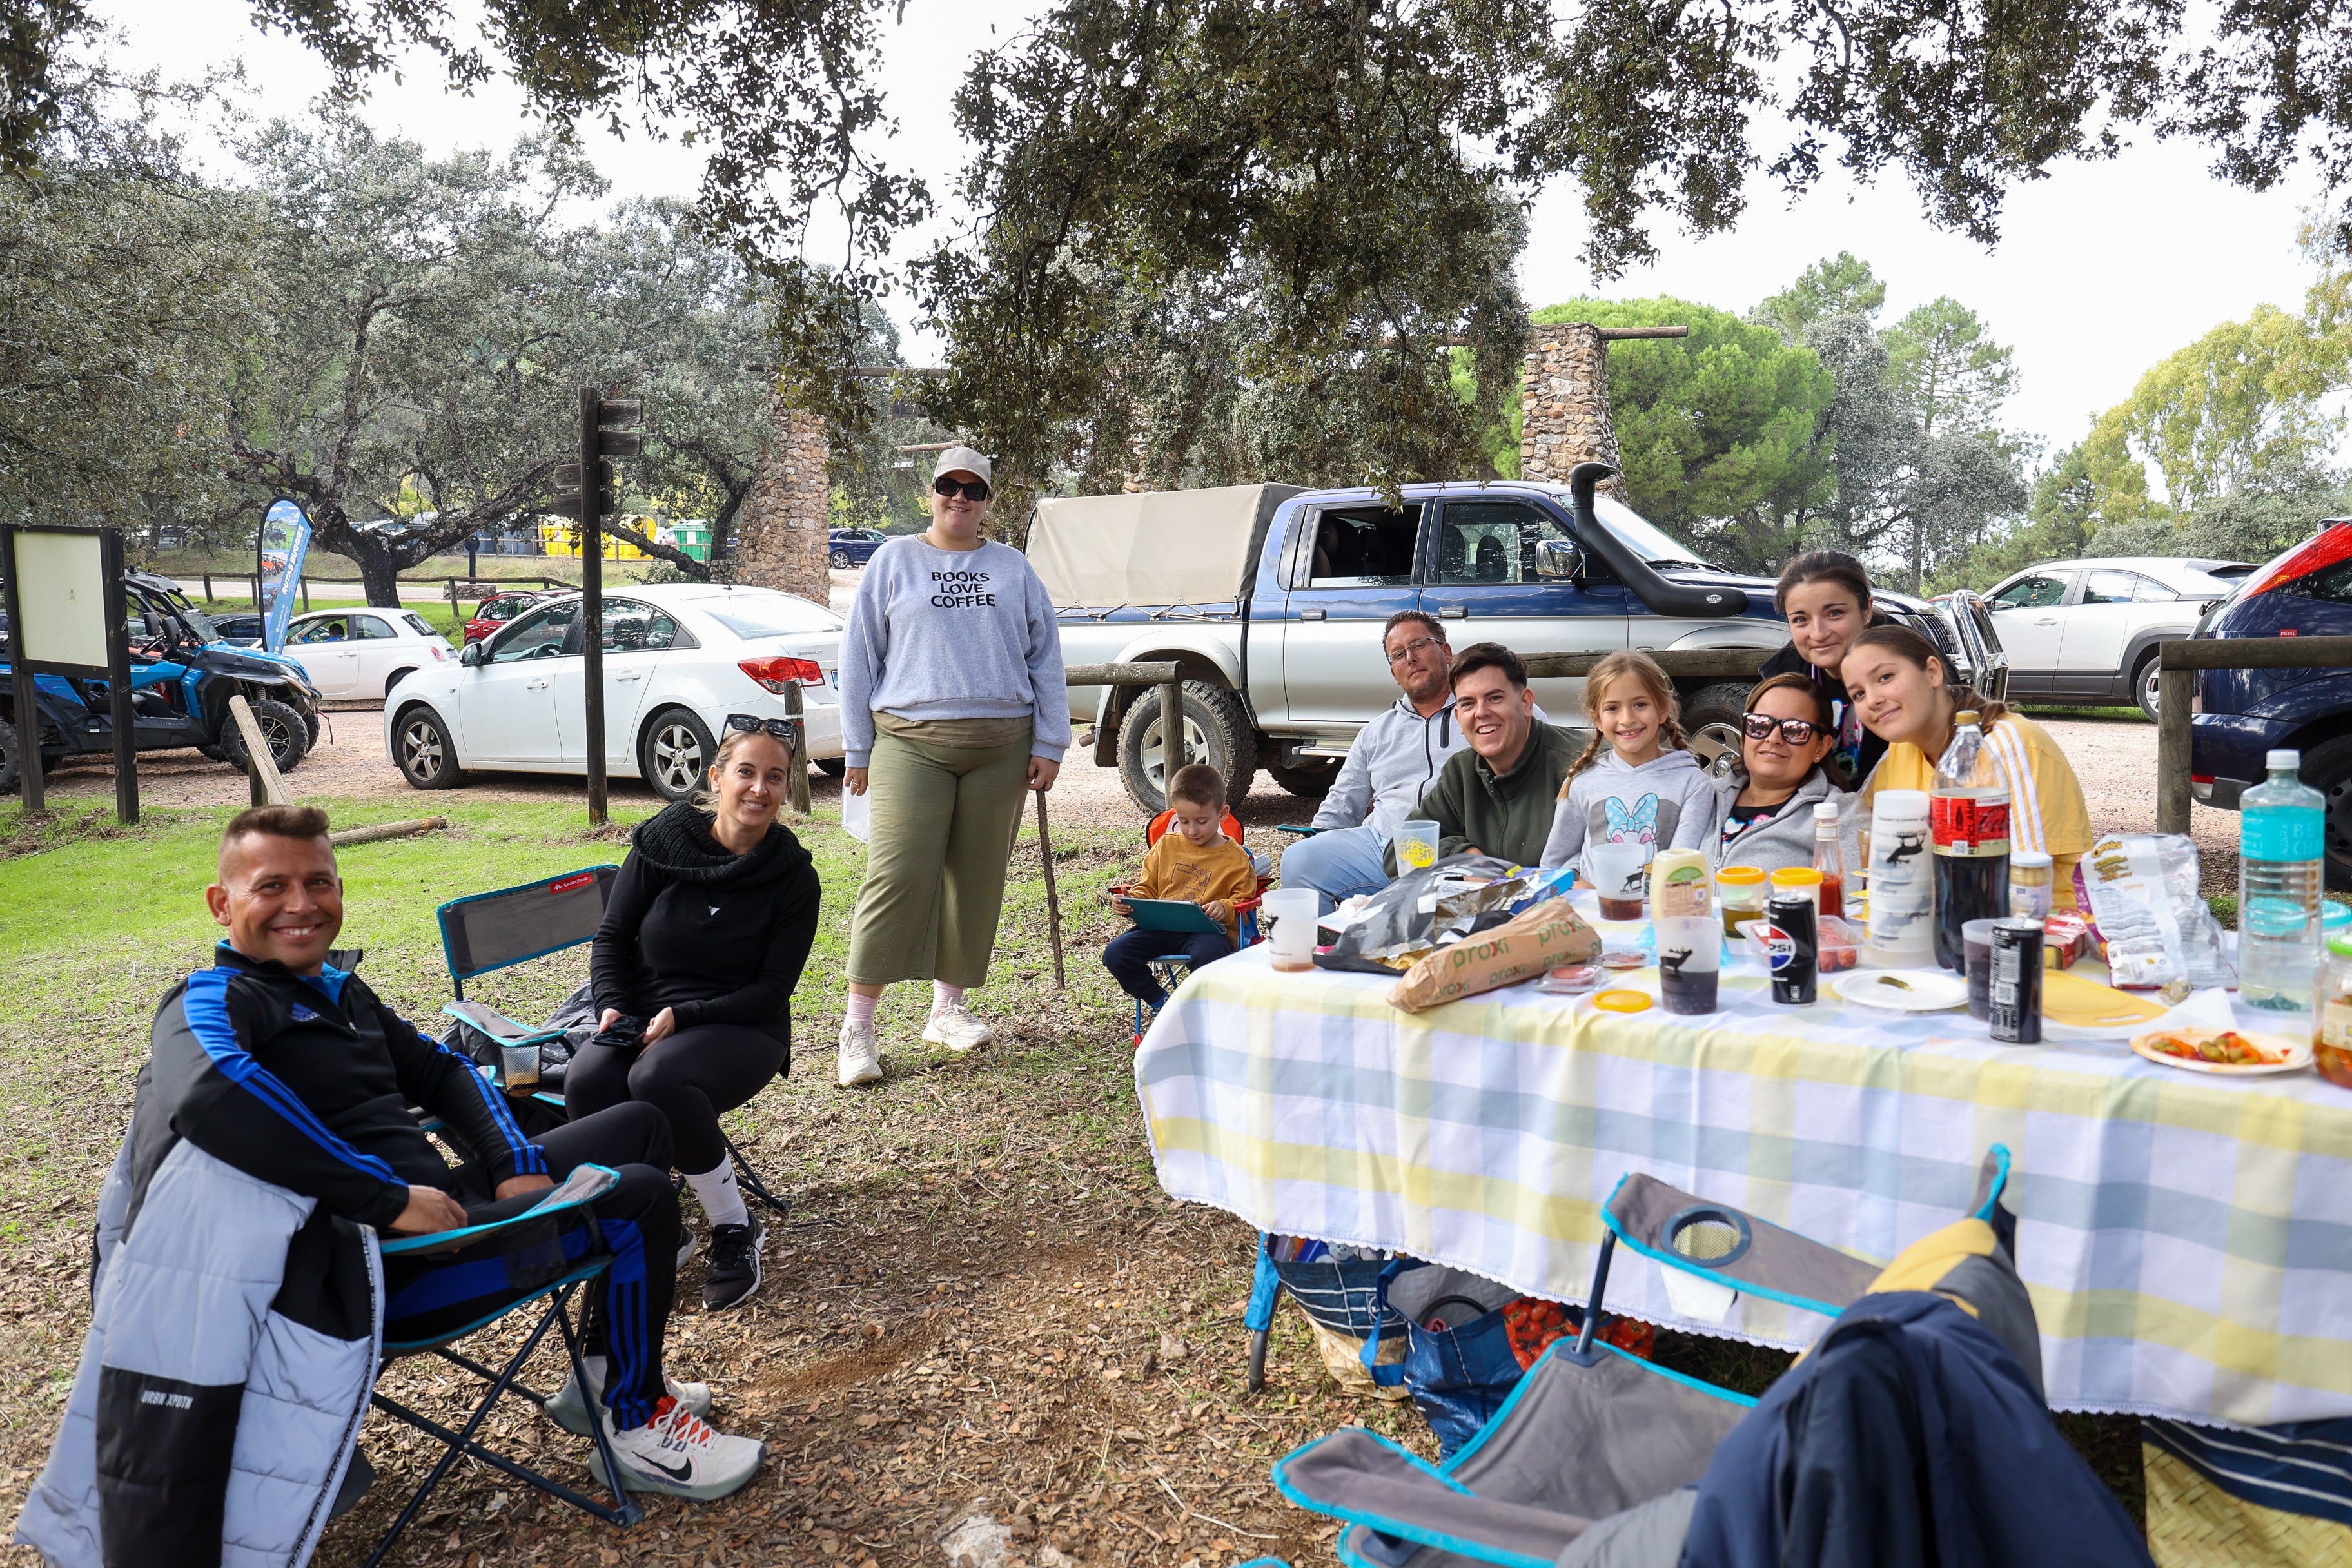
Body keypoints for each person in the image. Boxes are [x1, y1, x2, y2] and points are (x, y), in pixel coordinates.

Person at [152, 807, 761, 1498]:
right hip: (384, 1276)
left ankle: (602, 1371)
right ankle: (637, 1426)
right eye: (271, 886)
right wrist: (388, 1198)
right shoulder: (212, 1001)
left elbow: (445, 1070)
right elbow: (210, 1094)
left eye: (319, 881)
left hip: (449, 1216)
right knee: (642, 1197)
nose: (301, 904)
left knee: (639, 1124)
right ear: (220, 903)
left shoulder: (340, 994)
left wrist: (511, 1159)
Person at [835, 446, 1069, 1088]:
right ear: (930, 492)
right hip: (912, 740)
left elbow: (1045, 657)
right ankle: (858, 1028)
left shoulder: (1014, 568)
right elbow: (858, 657)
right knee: (898, 875)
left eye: (973, 489)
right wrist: (858, 748)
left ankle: (947, 1008)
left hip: (1002, 745)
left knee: (977, 876)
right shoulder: (893, 560)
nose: (959, 499)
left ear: (988, 499)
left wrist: (1051, 742)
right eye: (948, 486)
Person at [580, 720, 821, 1310]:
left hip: (741, 1027)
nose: (759, 789)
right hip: (647, 1014)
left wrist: (682, 1017)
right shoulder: (661, 845)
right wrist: (612, 1003)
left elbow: (772, 990)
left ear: (786, 790)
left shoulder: (793, 877)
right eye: (746, 772)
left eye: (774, 777)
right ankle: (657, 1222)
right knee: (590, 1080)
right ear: (716, 777)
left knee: (656, 1077)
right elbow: (612, 938)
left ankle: (735, 1227)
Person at [1844, 623, 2093, 904]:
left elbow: (2026, 892)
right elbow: (1860, 834)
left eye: (1885, 677)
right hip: (1937, 924)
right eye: (1858, 694)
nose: (1873, 700)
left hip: (2042, 932)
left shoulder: (2006, 746)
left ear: (1933, 672)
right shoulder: (1900, 751)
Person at [1282, 611, 1470, 913]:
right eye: (1398, 655)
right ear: (1394, 674)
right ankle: (1323, 955)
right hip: (1384, 846)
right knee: (1300, 860)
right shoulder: (1376, 732)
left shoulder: (1480, 712)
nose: (1410, 658)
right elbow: (1343, 801)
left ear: (1446, 653)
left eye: (1420, 645)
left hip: (1456, 849)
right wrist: (1316, 839)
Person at [1388, 642, 1581, 872]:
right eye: (1468, 704)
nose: (1481, 712)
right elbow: (1400, 852)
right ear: (1459, 719)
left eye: (1494, 698)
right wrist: (1465, 857)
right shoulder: (1461, 772)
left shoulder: (1581, 765)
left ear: (1526, 703)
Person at [1102, 762, 1258, 1021]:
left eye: (1201, 821)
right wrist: (1131, 901)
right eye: (1183, 821)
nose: (1192, 830)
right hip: (1161, 928)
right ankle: (1161, 1002)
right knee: (1116, 954)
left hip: (1207, 932)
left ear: (1222, 813)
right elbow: (1147, 887)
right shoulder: (1166, 845)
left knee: (1209, 954)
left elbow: (1244, 899)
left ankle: (1202, 1011)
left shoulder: (1236, 858)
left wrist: (1225, 907)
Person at [1541, 650, 1718, 876]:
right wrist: (1579, 884)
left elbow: (1680, 869)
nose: (1627, 719)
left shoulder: (1692, 784)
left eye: (1640, 704)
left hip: (1661, 908)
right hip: (1586, 909)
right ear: (1598, 720)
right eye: (1613, 708)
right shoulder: (1582, 781)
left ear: (1662, 710)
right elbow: (1554, 864)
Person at [1759, 550, 1896, 785]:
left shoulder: (1910, 671)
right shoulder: (1782, 685)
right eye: (1801, 619)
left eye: (1835, 613)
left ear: (1867, 610)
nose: (1818, 634)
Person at [1707, 672, 1863, 874]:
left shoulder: (1841, 816)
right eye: (1759, 724)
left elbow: (1858, 902)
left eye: (1795, 730)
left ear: (1822, 747)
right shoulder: (1703, 799)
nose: (1774, 738)